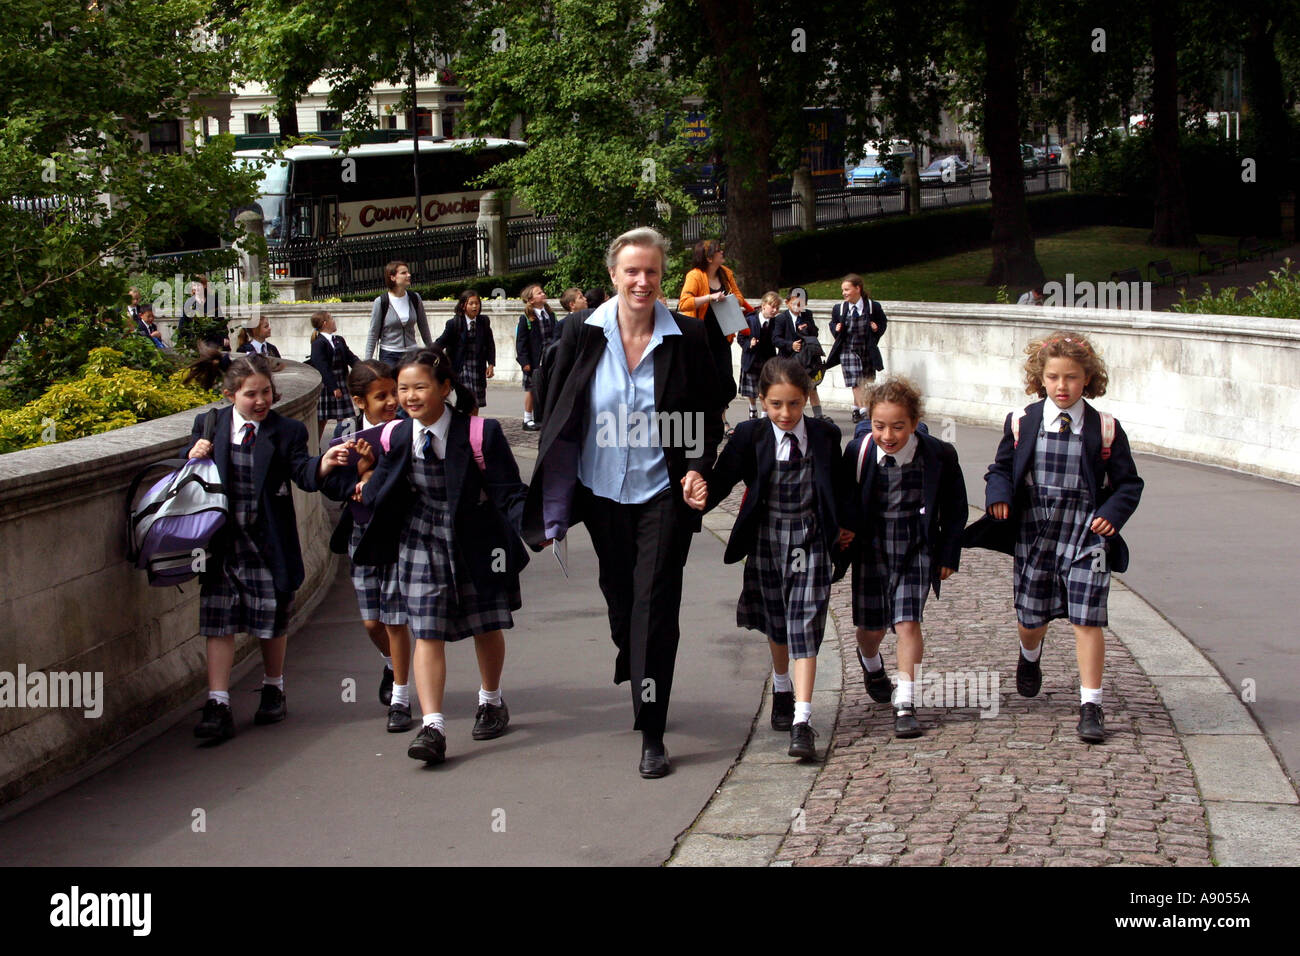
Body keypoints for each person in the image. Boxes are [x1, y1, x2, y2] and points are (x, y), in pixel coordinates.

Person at [522, 227, 722, 779]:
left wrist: (697, 470)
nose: (642, 280)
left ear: (663, 276)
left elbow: (706, 416)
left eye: (652, 271)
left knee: (654, 606)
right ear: (613, 274)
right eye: (631, 271)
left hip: (662, 492)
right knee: (620, 598)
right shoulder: (578, 332)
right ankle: (630, 652)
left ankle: (652, 730)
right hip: (601, 492)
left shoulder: (686, 334)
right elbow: (557, 408)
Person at [963, 332, 1143, 743]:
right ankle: (1030, 654)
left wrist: (1111, 515)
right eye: (1054, 377)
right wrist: (999, 497)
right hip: (1035, 530)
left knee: (1088, 617)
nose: (1063, 386)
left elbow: (1128, 483)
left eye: (1073, 378)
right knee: (1031, 617)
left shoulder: (1107, 429)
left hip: (1085, 535)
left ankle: (1091, 705)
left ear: (1088, 380)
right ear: (1040, 378)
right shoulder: (1021, 422)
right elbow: (1000, 470)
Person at [354, 347, 529, 765]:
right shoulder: (396, 434)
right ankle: (432, 725)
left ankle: (491, 700)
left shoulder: (479, 433)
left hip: (474, 537)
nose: (409, 397)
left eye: (420, 387)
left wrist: (539, 528)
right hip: (418, 540)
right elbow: (379, 482)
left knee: (485, 624)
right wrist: (357, 479)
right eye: (403, 389)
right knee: (426, 630)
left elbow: (509, 491)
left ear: (445, 388)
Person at [184, 354, 343, 741]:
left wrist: (324, 463)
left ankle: (274, 687)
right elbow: (191, 481)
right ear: (229, 395)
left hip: (267, 539)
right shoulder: (210, 425)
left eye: (266, 392)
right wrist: (192, 457)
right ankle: (218, 702)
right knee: (218, 620)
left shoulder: (285, 430)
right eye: (251, 394)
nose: (261, 401)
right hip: (222, 541)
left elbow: (302, 474)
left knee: (273, 616)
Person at [702, 357, 853, 760]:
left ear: (806, 398)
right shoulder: (750, 436)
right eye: (775, 405)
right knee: (778, 622)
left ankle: (803, 720)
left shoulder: (824, 435)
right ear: (762, 401)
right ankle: (782, 686)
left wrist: (847, 525)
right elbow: (720, 481)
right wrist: (692, 500)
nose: (785, 414)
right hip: (767, 541)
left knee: (805, 624)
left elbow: (839, 485)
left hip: (813, 541)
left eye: (793, 404)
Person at [843, 378, 967, 738]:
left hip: (916, 549)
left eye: (898, 426)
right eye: (880, 425)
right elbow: (843, 497)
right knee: (871, 629)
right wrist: (843, 529)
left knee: (908, 623)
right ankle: (870, 662)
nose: (888, 435)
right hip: (870, 549)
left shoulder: (938, 454)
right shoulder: (859, 451)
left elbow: (956, 509)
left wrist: (948, 554)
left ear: (914, 423)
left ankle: (905, 701)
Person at [319, 360, 415, 732]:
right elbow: (329, 486)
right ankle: (393, 665)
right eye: (382, 397)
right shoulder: (344, 433)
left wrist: (374, 472)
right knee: (372, 621)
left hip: (397, 531)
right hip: (362, 533)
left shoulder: (407, 430)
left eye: (395, 393)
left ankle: (402, 697)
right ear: (360, 402)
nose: (392, 401)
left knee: (394, 619)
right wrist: (352, 477)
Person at [676, 239, 754, 435]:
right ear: (709, 257)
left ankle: (717, 418)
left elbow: (739, 297)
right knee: (704, 381)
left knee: (726, 382)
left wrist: (727, 299)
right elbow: (684, 303)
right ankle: (720, 423)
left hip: (722, 336)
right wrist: (709, 298)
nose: (722, 253)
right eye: (719, 251)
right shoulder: (695, 276)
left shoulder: (725, 273)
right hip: (701, 338)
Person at [824, 274, 888, 423]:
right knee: (855, 381)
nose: (844, 293)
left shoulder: (872, 306)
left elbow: (882, 322)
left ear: (857, 288)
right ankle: (865, 410)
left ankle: (855, 408)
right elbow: (833, 324)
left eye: (847, 289)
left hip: (866, 349)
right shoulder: (839, 308)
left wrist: (876, 328)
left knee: (864, 381)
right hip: (847, 350)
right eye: (843, 290)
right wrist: (836, 328)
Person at [773, 288, 830, 422]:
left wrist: (807, 327)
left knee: (812, 387)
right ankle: (793, 414)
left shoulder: (807, 315)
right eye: (795, 304)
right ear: (787, 303)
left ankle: (818, 415)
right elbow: (776, 339)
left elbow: (815, 333)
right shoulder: (781, 319)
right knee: (792, 388)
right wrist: (790, 344)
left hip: (806, 359)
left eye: (802, 305)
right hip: (789, 359)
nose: (798, 308)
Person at [436, 289, 495, 411]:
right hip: (461, 368)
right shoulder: (454, 323)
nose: (475, 306)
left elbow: (490, 344)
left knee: (476, 401)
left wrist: (491, 364)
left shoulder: (483, 322)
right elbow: (441, 342)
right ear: (463, 306)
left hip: (478, 366)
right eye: (471, 303)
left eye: (477, 303)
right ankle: (464, 424)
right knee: (468, 397)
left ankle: (472, 425)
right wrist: (428, 355)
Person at [364, 261, 432, 366]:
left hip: (411, 353)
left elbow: (424, 327)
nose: (408, 275)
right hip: (389, 354)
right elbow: (373, 333)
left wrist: (431, 350)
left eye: (408, 272)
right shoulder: (382, 301)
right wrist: (367, 361)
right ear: (392, 277)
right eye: (403, 273)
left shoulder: (414, 298)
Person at [307, 310, 359, 439]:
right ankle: (315, 446)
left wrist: (365, 368)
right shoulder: (318, 343)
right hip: (328, 385)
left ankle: (344, 444)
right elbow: (322, 366)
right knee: (322, 419)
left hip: (342, 382)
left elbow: (351, 358)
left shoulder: (339, 340)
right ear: (325, 323)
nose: (334, 321)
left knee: (345, 418)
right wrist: (333, 387)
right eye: (332, 318)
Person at [514, 284, 557, 431]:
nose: (543, 294)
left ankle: (546, 416)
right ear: (531, 300)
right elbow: (521, 342)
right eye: (539, 293)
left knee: (548, 387)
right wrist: (524, 361)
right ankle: (527, 418)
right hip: (534, 360)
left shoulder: (550, 315)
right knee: (531, 389)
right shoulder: (526, 318)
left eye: (542, 292)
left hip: (549, 357)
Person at [738, 292, 781, 420]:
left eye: (777, 308)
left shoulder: (777, 322)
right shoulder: (750, 320)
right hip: (751, 359)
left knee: (766, 390)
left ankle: (764, 415)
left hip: (768, 361)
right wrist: (749, 344)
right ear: (763, 306)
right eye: (772, 307)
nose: (775, 310)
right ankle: (752, 407)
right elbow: (741, 338)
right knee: (751, 391)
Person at [178, 275, 229, 351]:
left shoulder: (212, 301)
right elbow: (182, 325)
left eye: (199, 285)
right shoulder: (189, 304)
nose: (197, 287)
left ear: (205, 286)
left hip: (212, 341)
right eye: (195, 285)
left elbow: (221, 321)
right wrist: (181, 343)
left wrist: (225, 337)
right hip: (195, 342)